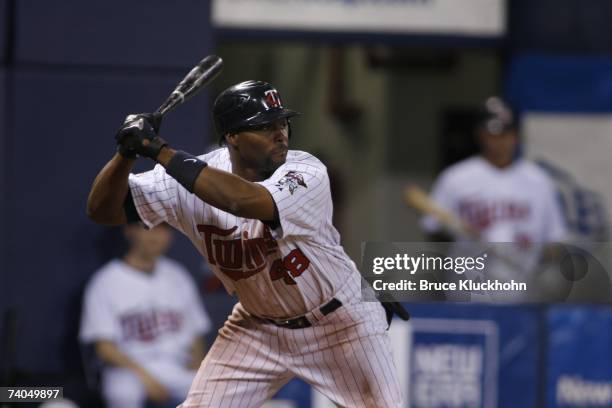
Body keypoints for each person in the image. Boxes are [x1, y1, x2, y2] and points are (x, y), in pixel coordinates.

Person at [86, 80, 406, 407]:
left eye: (282, 123)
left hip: (338, 321)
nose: (279, 133)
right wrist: (125, 154)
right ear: (232, 136)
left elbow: (244, 201)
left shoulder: (305, 171)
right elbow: (102, 210)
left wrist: (158, 150)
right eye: (265, 127)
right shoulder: (182, 178)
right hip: (257, 327)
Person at [422, 97, 568, 299]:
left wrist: (536, 263)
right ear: (479, 135)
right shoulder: (455, 178)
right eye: (492, 134)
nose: (499, 142)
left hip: (522, 294)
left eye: (505, 134)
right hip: (468, 292)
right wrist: (462, 236)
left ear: (516, 135)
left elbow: (554, 241)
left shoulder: (538, 181)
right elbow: (433, 230)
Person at [80, 223, 211, 408]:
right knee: (123, 393)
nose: (157, 236)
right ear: (129, 231)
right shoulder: (105, 281)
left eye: (165, 229)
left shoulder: (178, 276)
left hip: (175, 367)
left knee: (213, 389)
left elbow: (195, 333)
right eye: (149, 228)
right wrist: (145, 378)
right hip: (129, 371)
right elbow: (104, 347)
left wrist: (198, 367)